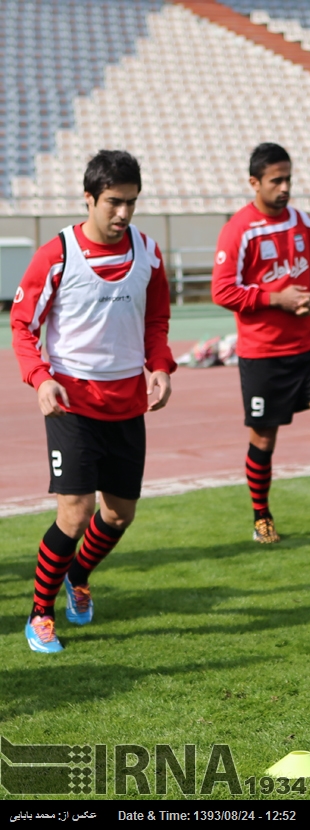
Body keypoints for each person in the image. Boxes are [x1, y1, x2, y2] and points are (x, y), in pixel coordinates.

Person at [10, 150, 176, 653]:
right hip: (71, 402)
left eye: (131, 203)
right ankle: (40, 614)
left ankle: (78, 574)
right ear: (89, 199)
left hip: (127, 403)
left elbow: (156, 322)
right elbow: (21, 326)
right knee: (75, 512)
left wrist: (162, 367)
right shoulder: (56, 253)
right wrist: (40, 379)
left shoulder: (147, 251)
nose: (123, 214)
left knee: (120, 515)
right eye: (112, 203)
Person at [211, 143, 310, 545]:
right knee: (264, 438)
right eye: (275, 181)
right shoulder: (238, 229)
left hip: (307, 349)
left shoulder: (301, 221)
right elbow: (222, 290)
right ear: (255, 183)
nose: (284, 187)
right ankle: (261, 516)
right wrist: (276, 299)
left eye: (288, 179)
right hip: (263, 354)